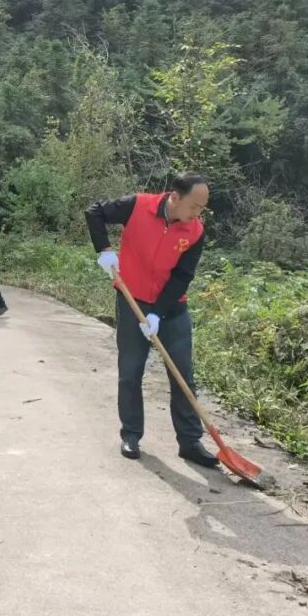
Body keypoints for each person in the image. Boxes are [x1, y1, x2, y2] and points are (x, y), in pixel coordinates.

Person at [85, 173, 218, 468]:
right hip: (132, 301)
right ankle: (131, 434)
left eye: (202, 208)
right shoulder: (137, 206)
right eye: (194, 206)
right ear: (174, 197)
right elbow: (94, 211)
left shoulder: (195, 231)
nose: (197, 214)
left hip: (171, 310)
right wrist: (104, 250)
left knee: (182, 375)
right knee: (130, 372)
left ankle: (190, 442)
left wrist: (158, 312)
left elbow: (183, 276)